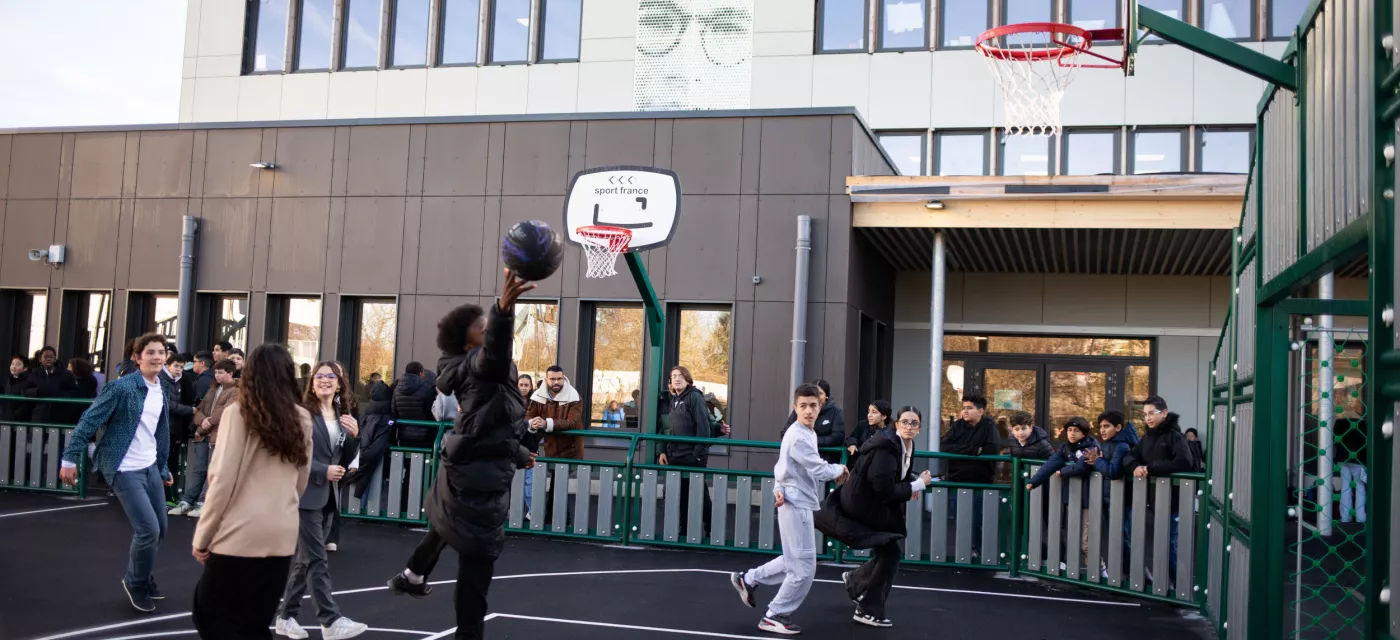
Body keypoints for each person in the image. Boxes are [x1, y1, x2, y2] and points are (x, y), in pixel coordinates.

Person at [386, 270, 541, 640]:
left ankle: (412, 574)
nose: (488, 327)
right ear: (470, 346)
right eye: (482, 327)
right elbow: (494, 354)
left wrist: (518, 452)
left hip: (471, 464)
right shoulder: (482, 367)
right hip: (479, 476)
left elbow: (488, 426)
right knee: (477, 567)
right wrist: (503, 310)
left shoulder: (482, 373)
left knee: (447, 522)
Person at [190, 344, 314, 640]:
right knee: (255, 622)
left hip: (240, 532)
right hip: (281, 531)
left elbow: (222, 479)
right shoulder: (302, 417)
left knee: (211, 616)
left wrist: (202, 537)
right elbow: (301, 480)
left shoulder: (239, 413)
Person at [58, 333, 176, 613]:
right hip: (124, 466)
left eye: (161, 352)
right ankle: (136, 583)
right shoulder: (121, 387)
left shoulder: (163, 387)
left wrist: (163, 466)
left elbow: (159, 431)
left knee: (161, 527)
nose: (157, 357)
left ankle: (143, 577)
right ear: (137, 358)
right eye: (150, 352)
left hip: (150, 465)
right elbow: (89, 419)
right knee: (148, 529)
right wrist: (69, 457)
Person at [729, 383, 848, 635]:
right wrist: (841, 469)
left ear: (820, 407)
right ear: (795, 408)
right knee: (804, 569)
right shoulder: (798, 436)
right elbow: (818, 469)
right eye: (803, 406)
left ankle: (748, 579)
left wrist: (778, 488)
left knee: (794, 560)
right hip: (797, 505)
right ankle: (775, 614)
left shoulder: (806, 433)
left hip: (796, 501)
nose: (808, 411)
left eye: (813, 406)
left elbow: (781, 468)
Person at [274, 361, 367, 640]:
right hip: (304, 494)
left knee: (306, 561)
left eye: (331, 376)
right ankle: (330, 620)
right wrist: (321, 470)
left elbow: (346, 456)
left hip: (327, 496)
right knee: (316, 559)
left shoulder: (342, 414)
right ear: (312, 383)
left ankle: (285, 616)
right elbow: (289, 455)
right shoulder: (300, 413)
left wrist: (354, 436)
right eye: (319, 376)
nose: (325, 380)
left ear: (340, 383)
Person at [833, 406, 931, 627]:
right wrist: (917, 485)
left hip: (873, 505)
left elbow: (895, 476)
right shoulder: (887, 448)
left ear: (919, 428)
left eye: (914, 423)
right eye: (904, 422)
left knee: (889, 551)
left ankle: (856, 581)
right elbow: (883, 489)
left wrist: (912, 483)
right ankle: (868, 609)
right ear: (896, 424)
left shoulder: (906, 444)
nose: (909, 426)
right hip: (864, 505)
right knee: (891, 552)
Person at [1123, 396, 1193, 586]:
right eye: (1145, 415)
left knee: (1170, 544)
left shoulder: (1175, 436)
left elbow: (1185, 462)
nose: (1148, 418)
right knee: (1160, 543)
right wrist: (1135, 466)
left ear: (1164, 413)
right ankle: (1166, 585)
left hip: (1173, 500)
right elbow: (1129, 456)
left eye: (1151, 413)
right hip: (1154, 499)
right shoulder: (1147, 437)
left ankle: (1180, 588)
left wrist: (1152, 468)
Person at [1027, 417, 1099, 572]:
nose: (1072, 434)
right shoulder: (1065, 447)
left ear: (1084, 432)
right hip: (1072, 499)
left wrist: (1063, 471)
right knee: (1073, 536)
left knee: (1086, 542)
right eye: (1070, 430)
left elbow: (1083, 466)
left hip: (1089, 499)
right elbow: (1051, 463)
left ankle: (1100, 572)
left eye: (1076, 431)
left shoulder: (1091, 446)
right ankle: (1080, 571)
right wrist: (1034, 481)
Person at [660, 365, 723, 539]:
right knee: (677, 494)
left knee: (698, 495)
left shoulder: (694, 397)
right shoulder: (673, 400)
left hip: (692, 456)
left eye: (681, 376)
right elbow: (666, 428)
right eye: (673, 376)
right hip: (675, 455)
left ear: (688, 379)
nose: (677, 379)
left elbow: (703, 426)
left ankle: (711, 528)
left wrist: (697, 454)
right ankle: (683, 529)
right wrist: (662, 451)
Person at [172, 360, 239, 517]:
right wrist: (202, 422)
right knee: (198, 469)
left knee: (212, 471)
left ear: (230, 373)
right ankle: (187, 501)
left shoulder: (237, 390)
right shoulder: (213, 388)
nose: (217, 375)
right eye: (216, 372)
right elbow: (199, 409)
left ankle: (204, 503)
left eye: (221, 372)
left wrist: (203, 425)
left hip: (219, 435)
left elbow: (225, 412)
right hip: (205, 435)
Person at [940, 394, 999, 556]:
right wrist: (973, 450)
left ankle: (980, 552)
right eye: (964, 408)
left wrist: (962, 448)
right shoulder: (958, 425)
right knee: (960, 519)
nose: (965, 411)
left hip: (980, 481)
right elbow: (944, 447)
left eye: (970, 408)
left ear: (980, 411)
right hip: (956, 479)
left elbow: (991, 449)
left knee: (977, 520)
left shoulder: (989, 426)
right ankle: (963, 551)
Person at [785, 379, 845, 463]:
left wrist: (813, 441)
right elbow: (785, 432)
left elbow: (838, 437)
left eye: (820, 393)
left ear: (826, 395)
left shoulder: (836, 412)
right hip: (801, 461)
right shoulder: (800, 411)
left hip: (826, 460)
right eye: (814, 393)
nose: (817, 396)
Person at [392, 361, 438, 449]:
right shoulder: (426, 389)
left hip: (404, 435)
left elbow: (394, 413)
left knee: (405, 461)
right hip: (425, 436)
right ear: (420, 373)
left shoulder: (396, 389)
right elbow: (432, 412)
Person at [845, 400, 892, 467]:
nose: (869, 415)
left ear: (884, 416)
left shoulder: (892, 430)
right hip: (860, 465)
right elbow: (852, 437)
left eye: (874, 412)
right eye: (868, 411)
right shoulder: (863, 425)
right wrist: (852, 444)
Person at [4, 355, 35, 422]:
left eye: (18, 365)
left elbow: (26, 403)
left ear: (25, 368)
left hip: (20, 420)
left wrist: (16, 415)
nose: (14, 367)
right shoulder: (9, 379)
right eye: (12, 364)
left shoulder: (29, 381)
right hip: (7, 417)